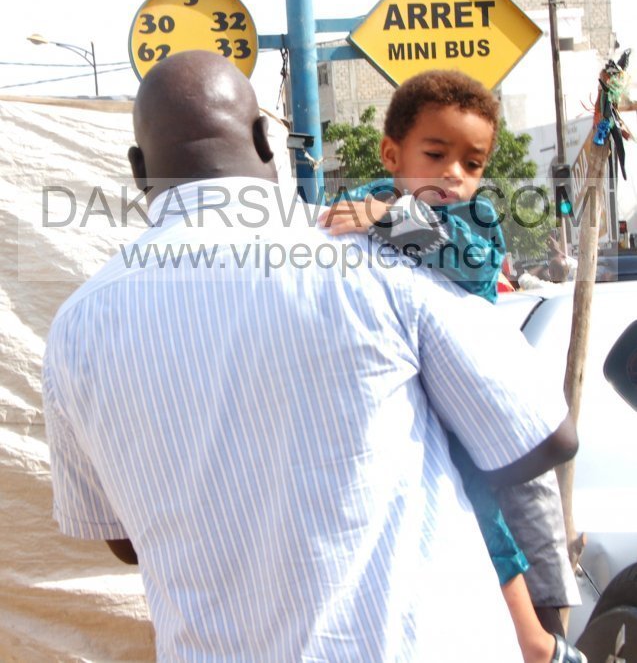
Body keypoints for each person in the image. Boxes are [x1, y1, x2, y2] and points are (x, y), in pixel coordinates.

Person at [42, 51, 578, 662]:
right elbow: (547, 437)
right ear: (265, 144)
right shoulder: (373, 261)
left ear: (139, 172)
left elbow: (123, 541)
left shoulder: (76, 330)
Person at [319, 69, 583, 663]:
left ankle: (535, 641)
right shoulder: (366, 201)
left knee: (490, 518)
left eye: (473, 163)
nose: (454, 175)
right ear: (392, 153)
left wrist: (382, 220)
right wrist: (360, 215)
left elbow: (472, 263)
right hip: (404, 402)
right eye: (436, 154)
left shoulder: (474, 219)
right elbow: (330, 229)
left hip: (470, 401)